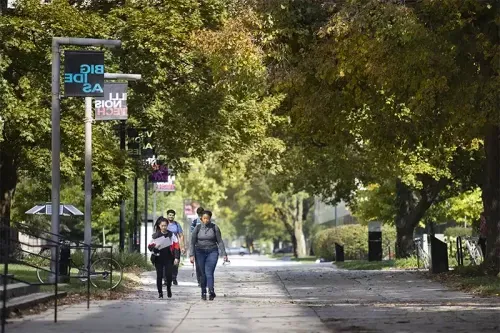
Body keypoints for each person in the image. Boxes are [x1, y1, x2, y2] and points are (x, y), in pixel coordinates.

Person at [190, 210, 228, 301]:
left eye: (208, 218)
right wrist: (191, 254)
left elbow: (219, 241)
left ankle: (211, 291)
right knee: (203, 274)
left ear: (210, 219)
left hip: (212, 252)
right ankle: (203, 291)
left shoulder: (215, 227)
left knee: (209, 272)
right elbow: (192, 242)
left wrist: (224, 254)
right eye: (204, 218)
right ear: (201, 219)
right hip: (200, 252)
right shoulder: (197, 228)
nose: (206, 220)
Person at [148, 218, 180, 299]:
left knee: (169, 275)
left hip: (169, 258)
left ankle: (169, 288)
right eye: (162, 226)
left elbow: (176, 246)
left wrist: (176, 257)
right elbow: (149, 246)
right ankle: (160, 293)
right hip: (158, 258)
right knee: (159, 276)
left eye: (165, 225)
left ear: (167, 226)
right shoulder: (156, 235)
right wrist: (155, 246)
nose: (164, 227)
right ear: (159, 226)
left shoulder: (171, 234)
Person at [166, 209, 184, 285]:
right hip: (166, 246)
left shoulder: (177, 224)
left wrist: (182, 246)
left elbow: (181, 236)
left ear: (174, 216)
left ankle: (174, 278)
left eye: (172, 215)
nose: (171, 216)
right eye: (170, 215)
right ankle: (166, 280)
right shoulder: (164, 223)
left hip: (175, 246)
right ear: (167, 215)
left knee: (175, 262)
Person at [190, 206, 205, 286]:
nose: (200, 215)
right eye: (199, 214)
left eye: (201, 214)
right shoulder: (195, 222)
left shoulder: (207, 221)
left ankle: (203, 279)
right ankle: (200, 281)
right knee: (198, 265)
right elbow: (192, 233)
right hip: (198, 246)